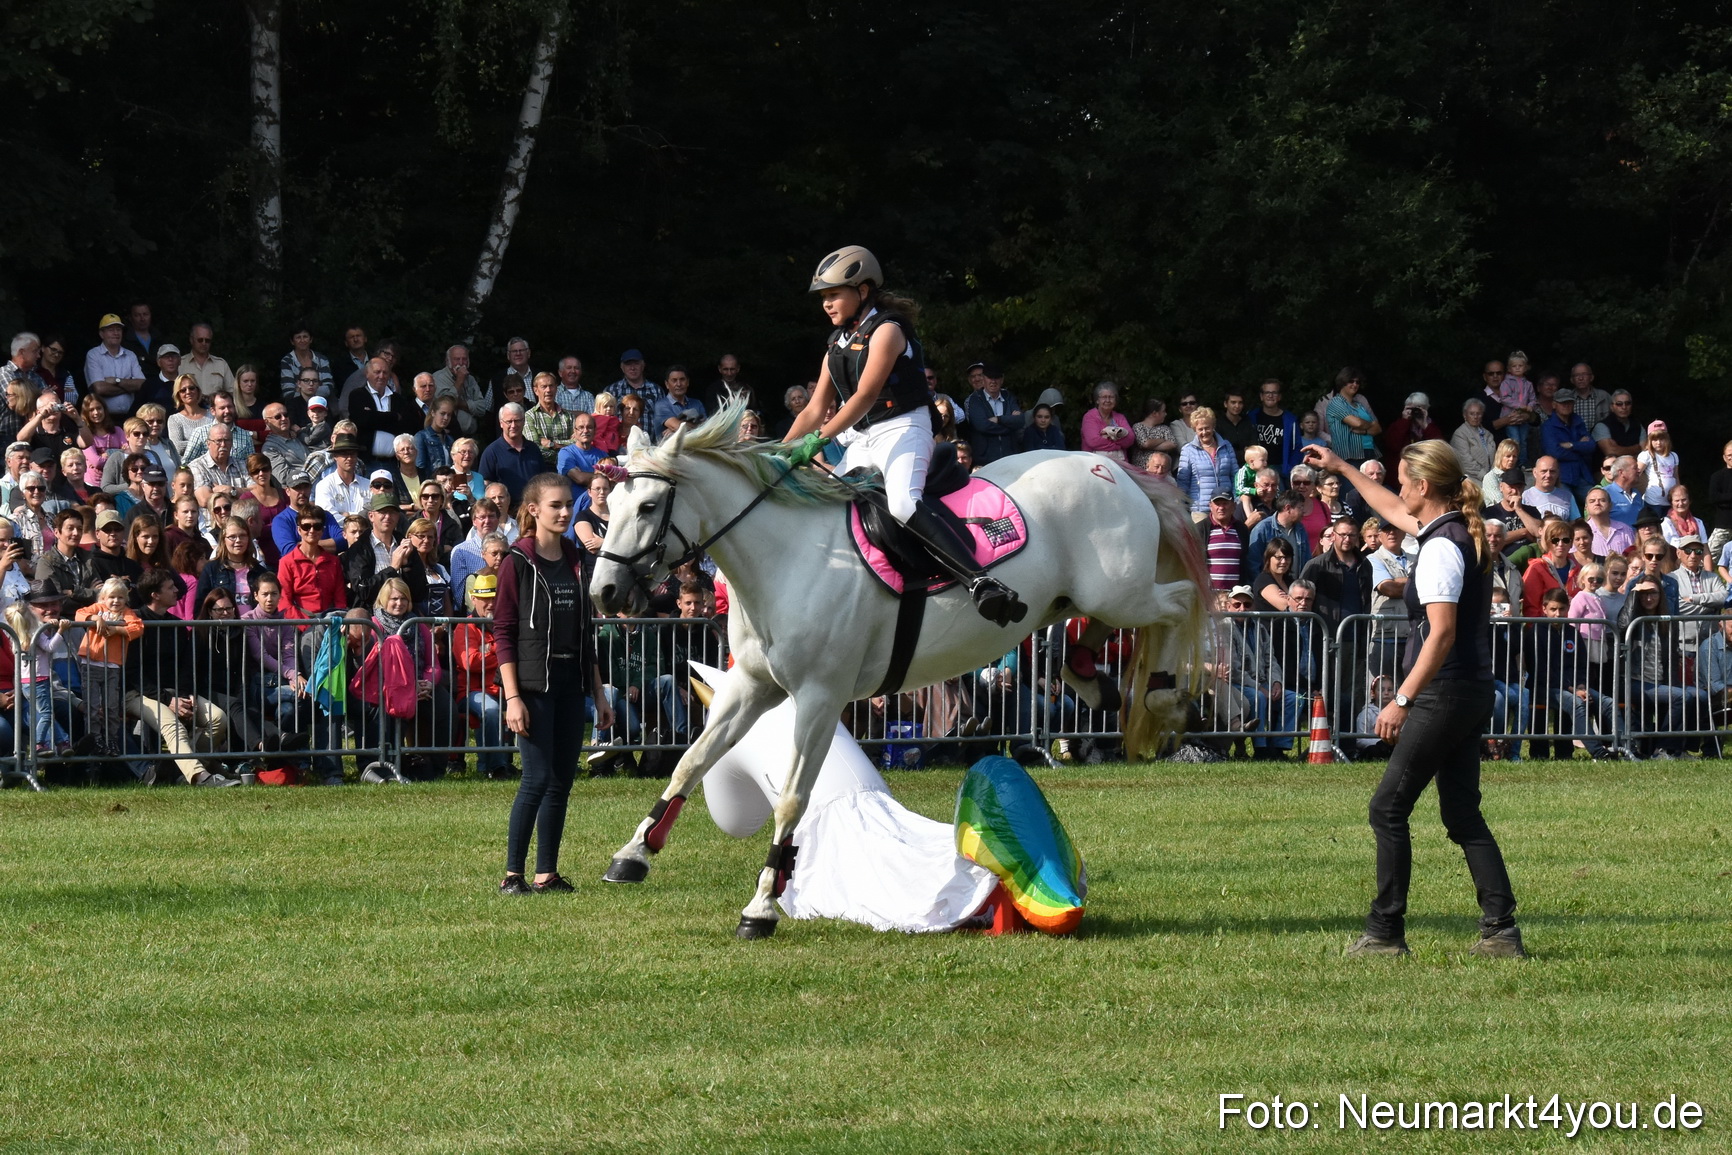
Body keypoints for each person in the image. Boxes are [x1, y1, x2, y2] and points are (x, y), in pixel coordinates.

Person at [1304, 438, 1523, 960]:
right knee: (1462, 814)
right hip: (1468, 689)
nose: (1399, 492)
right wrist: (1341, 467)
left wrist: (1401, 699)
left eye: (1404, 482)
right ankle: (1501, 930)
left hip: (1442, 692)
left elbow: (1441, 633)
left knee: (1388, 808)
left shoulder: (1441, 547)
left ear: (1424, 487)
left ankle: (1384, 932)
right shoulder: (1452, 532)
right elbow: (1387, 505)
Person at [789, 245, 1023, 624]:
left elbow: (865, 396)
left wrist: (817, 440)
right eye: (823, 298)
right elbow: (815, 408)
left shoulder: (888, 330)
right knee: (832, 508)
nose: (826, 304)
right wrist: (777, 451)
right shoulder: (836, 344)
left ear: (862, 291)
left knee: (901, 504)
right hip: (863, 437)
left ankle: (980, 581)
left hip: (905, 426)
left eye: (833, 294)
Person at [494, 473, 614, 894]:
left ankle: (546, 873)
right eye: (555, 506)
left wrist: (597, 692)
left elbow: (587, 634)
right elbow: (503, 633)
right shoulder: (517, 561)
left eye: (568, 505)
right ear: (533, 510)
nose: (565, 512)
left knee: (562, 779)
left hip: (570, 682)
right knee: (536, 778)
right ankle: (512, 875)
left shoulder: (578, 560)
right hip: (530, 685)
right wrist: (512, 698)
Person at [1175, 405, 1236, 520]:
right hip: (1201, 509)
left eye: (1207, 428)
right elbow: (1183, 482)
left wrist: (1235, 499)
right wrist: (1182, 508)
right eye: (1200, 429)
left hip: (1226, 507)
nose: (1204, 432)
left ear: (1213, 426)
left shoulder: (1226, 446)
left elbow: (1235, 475)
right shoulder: (1188, 450)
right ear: (1194, 429)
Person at [963, 364, 1024, 466]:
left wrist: (998, 419)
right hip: (985, 459)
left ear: (1002, 379)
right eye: (990, 378)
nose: (993, 381)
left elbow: (1020, 421)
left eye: (997, 378)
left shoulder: (1009, 397)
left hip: (1011, 456)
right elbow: (982, 426)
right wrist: (1009, 424)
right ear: (984, 379)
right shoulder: (974, 399)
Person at [1323, 368, 1380, 466]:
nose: (1355, 384)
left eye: (1357, 382)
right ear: (1342, 382)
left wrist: (1364, 431)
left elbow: (1378, 429)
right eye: (1351, 381)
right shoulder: (1335, 402)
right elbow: (1357, 423)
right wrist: (1371, 425)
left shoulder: (1360, 405)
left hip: (1369, 452)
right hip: (1350, 456)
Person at [1450, 399, 1498, 487]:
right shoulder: (1460, 434)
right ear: (1465, 415)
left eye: (1478, 413)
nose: (1475, 416)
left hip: (1490, 478)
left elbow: (1495, 458)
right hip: (1470, 480)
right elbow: (1466, 461)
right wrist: (1486, 477)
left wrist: (1493, 476)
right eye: (1471, 413)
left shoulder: (1488, 434)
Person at [1079, 382, 1130, 463]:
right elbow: (1094, 441)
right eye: (1104, 397)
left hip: (1121, 465)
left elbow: (1130, 439)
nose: (1108, 400)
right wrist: (1118, 444)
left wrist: (1106, 437)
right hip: (1094, 464)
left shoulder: (1120, 417)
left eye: (1111, 397)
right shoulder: (1090, 417)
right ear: (1097, 400)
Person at [1637, 421, 1679, 516]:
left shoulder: (1673, 456)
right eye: (1654, 440)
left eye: (1661, 439)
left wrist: (1679, 494)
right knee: (1655, 525)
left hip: (1670, 500)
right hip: (1654, 501)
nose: (1658, 443)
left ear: (1667, 439)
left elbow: (1676, 476)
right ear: (1649, 441)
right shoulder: (1646, 455)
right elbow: (1636, 474)